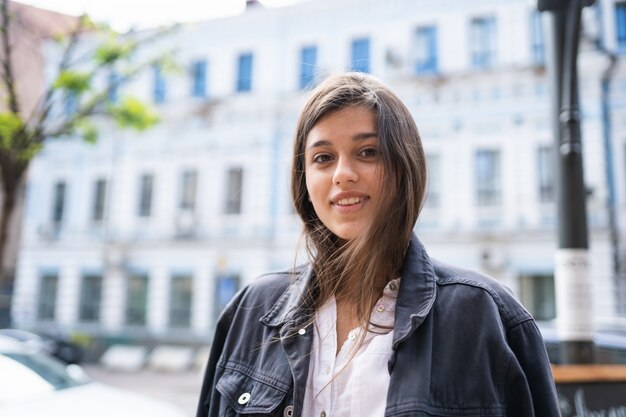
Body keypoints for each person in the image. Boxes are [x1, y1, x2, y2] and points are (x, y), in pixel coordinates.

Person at [196, 72, 561, 417]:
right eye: (323, 158)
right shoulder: (252, 310)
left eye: (368, 152)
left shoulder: (484, 314)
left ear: (405, 166)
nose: (343, 174)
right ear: (304, 179)